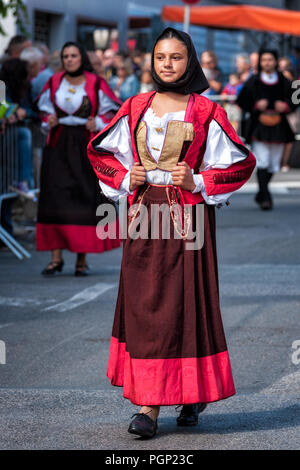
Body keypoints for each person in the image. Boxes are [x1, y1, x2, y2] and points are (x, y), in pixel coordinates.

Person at [87, 27, 256, 438]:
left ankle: (189, 392)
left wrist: (197, 179)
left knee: (186, 304)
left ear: (190, 61)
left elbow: (240, 163)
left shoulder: (206, 110)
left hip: (189, 219)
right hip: (144, 217)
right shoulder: (135, 106)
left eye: (176, 57)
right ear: (152, 61)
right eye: (161, 57)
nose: (167, 64)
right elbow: (100, 152)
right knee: (146, 306)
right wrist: (128, 176)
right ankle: (148, 403)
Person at [35, 41, 122, 276]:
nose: (69, 60)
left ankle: (81, 260)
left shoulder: (96, 83)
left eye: (74, 55)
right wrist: (48, 120)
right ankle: (55, 258)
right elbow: (42, 111)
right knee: (54, 197)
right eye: (65, 56)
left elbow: (114, 111)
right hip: (58, 144)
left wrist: (100, 122)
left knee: (84, 196)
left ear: (81, 58)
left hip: (85, 144)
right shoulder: (54, 82)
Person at [237, 48, 296, 210]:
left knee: (274, 164)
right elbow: (241, 99)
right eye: (264, 60)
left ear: (276, 61)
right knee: (262, 160)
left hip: (279, 126)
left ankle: (261, 193)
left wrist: (286, 106)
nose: (267, 63)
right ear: (260, 62)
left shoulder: (284, 80)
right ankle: (266, 197)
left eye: (270, 59)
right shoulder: (254, 80)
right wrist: (255, 105)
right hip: (259, 126)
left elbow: (296, 96)